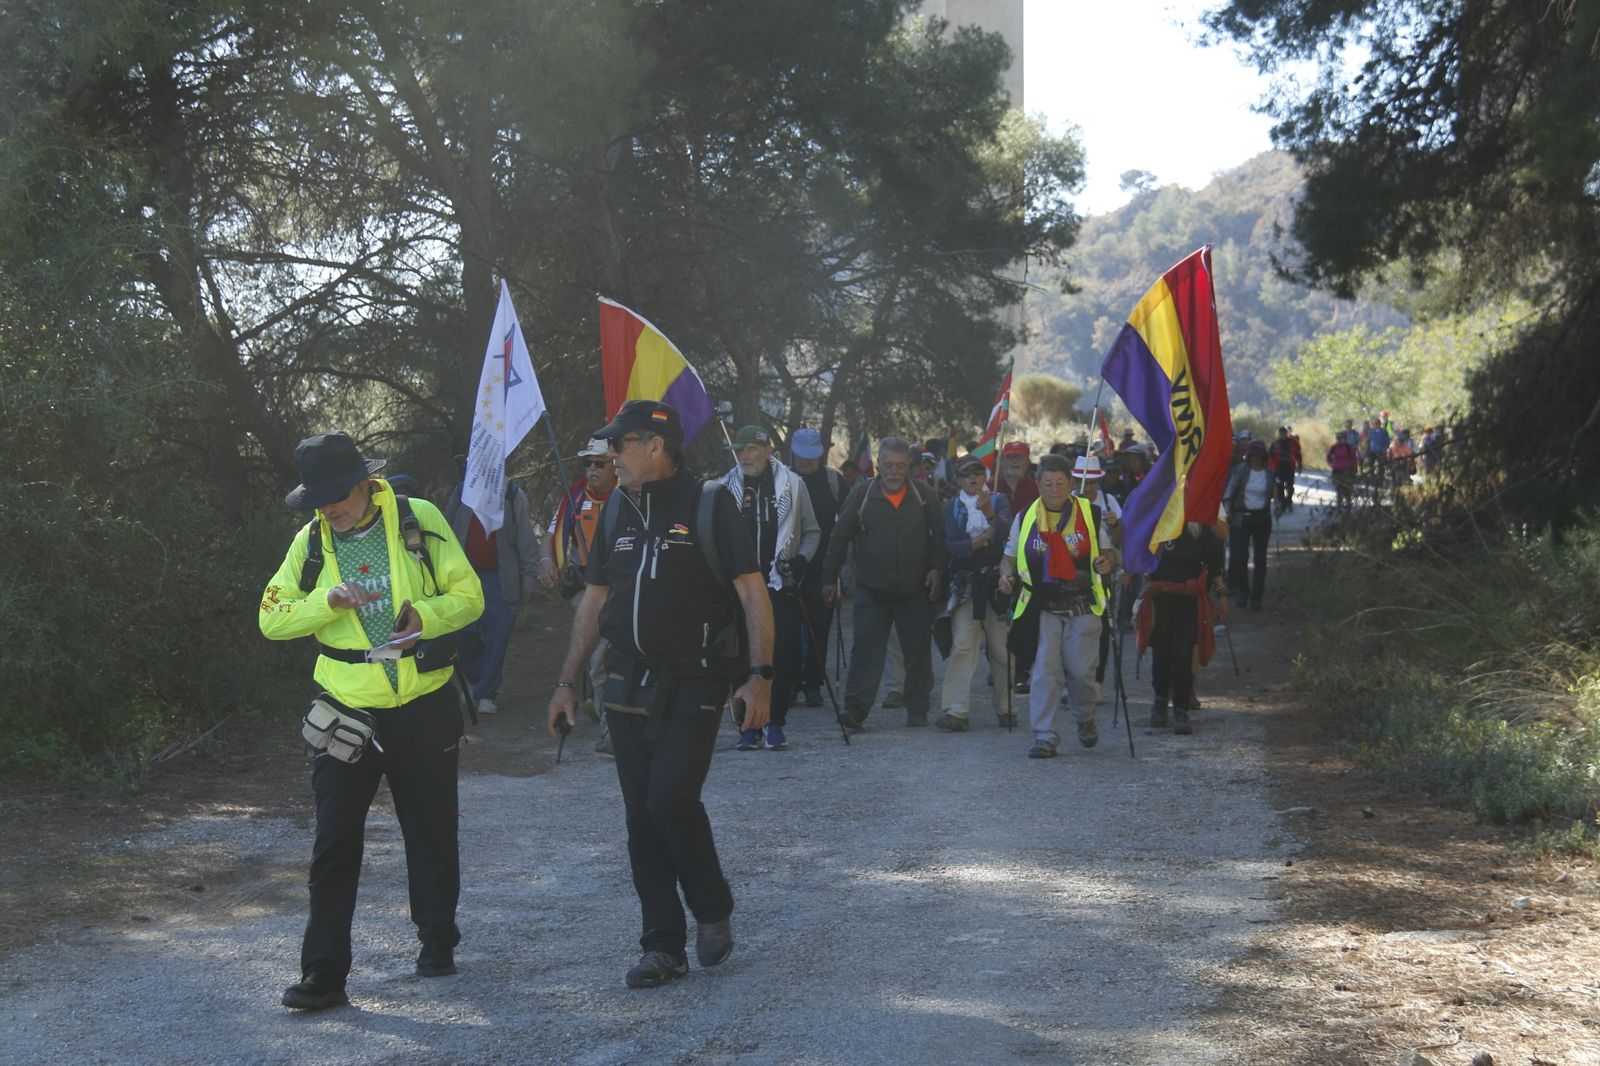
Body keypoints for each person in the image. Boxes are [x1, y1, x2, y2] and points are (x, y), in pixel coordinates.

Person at [545, 400, 774, 989]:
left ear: (655, 445)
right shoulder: (617, 506)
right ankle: (662, 945)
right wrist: (567, 682)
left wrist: (760, 675)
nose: (610, 457)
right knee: (640, 814)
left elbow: (752, 593)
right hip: (626, 679)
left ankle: (713, 905)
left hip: (695, 677)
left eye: (619, 446)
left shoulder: (710, 503)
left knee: (670, 798)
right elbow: (594, 600)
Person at [259, 431, 484, 1011]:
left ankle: (438, 943)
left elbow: (471, 595)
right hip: (346, 711)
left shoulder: (419, 518)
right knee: (335, 841)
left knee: (431, 831)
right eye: (319, 499)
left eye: (337, 495)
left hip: (424, 705)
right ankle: (323, 974)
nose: (329, 509)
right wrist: (324, 603)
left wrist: (426, 617)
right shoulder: (309, 542)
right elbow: (271, 618)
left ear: (364, 481)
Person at [998, 453, 1118, 758]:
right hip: (1043, 607)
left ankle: (1085, 717)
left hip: (1083, 605)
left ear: (1070, 484)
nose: (1054, 489)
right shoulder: (1025, 516)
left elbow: (1108, 551)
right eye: (1048, 483)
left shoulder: (1089, 514)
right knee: (1043, 672)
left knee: (1080, 674)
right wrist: (1005, 577)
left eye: (1060, 483)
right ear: (1038, 484)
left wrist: (1106, 563)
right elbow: (1009, 557)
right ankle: (1045, 735)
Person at [823, 436, 948, 729]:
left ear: (910, 467)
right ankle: (854, 711)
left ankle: (917, 709)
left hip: (914, 590)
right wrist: (829, 578)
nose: (893, 472)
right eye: (888, 465)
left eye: (900, 466)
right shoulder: (861, 494)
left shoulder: (924, 495)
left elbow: (939, 539)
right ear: (879, 465)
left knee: (917, 650)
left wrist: (936, 569)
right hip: (872, 589)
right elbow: (839, 537)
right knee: (865, 650)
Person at [722, 425, 820, 751]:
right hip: (739, 590)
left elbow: (812, 532)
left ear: (768, 452)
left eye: (751, 449)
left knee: (782, 654)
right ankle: (747, 727)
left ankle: (775, 722)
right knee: (741, 656)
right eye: (740, 449)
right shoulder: (724, 489)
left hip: (779, 586)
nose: (744, 456)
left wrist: (802, 560)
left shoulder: (793, 484)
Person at [537, 438, 619, 740]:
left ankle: (615, 716)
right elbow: (550, 536)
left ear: (615, 465)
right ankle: (610, 729)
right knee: (599, 656)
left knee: (612, 653)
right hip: (586, 588)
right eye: (588, 463)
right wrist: (546, 560)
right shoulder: (573, 497)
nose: (592, 469)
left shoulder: (628, 495)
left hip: (622, 587)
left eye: (600, 463)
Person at [445, 461, 537, 717]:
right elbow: (446, 531)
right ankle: (476, 681)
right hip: (464, 578)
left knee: (498, 638)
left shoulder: (512, 494)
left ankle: (486, 694)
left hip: (501, 578)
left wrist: (529, 576)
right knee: (464, 634)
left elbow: (526, 538)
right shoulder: (462, 492)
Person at [935, 456, 1014, 731]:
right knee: (963, 645)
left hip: (996, 581)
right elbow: (952, 546)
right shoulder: (951, 507)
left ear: (985, 477)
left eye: (978, 474)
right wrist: (981, 540)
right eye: (967, 474)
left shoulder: (1000, 501)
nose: (974, 479)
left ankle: (1006, 707)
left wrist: (990, 514)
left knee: (1001, 649)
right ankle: (956, 711)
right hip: (966, 583)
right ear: (958, 479)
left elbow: (1007, 535)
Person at [1136, 522, 1225, 734]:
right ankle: (1159, 702)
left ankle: (1181, 709)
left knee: (1183, 653)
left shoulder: (1200, 528)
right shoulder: (1155, 523)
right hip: (1160, 599)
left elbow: (1214, 563)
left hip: (1188, 600)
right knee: (1161, 650)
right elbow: (1139, 554)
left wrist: (1222, 594)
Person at [790, 427, 844, 709]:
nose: (806, 462)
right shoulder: (780, 479)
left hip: (823, 568)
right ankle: (788, 683)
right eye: (801, 457)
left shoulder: (834, 481)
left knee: (819, 627)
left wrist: (838, 573)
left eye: (811, 457)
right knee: (787, 628)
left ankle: (813, 683)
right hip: (786, 567)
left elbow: (846, 523)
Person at [1224, 440, 1273, 609]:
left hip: (1262, 518)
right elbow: (1229, 492)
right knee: (1240, 556)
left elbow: (1275, 493)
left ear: (1263, 457)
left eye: (1259, 456)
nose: (1256, 459)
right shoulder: (1239, 471)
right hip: (1241, 518)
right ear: (1249, 456)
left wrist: (1280, 505)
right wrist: (1228, 511)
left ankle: (1256, 597)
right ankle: (1243, 590)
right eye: (1253, 456)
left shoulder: (1269, 474)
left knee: (1260, 559)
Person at [994, 440, 1039, 517]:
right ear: (1001, 461)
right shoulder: (990, 486)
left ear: (1028, 461)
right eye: (1010, 457)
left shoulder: (1036, 488)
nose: (1015, 461)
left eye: (1020, 457)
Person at [1268, 426, 1298, 514]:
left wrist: (1299, 463)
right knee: (1279, 487)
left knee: (1290, 487)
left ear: (1286, 433)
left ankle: (1288, 501)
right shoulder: (1275, 443)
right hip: (1279, 469)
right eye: (1281, 433)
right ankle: (1282, 504)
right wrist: (1271, 467)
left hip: (1290, 467)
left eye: (1284, 433)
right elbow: (1269, 456)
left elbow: (1298, 453)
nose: (1282, 435)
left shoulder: (1293, 443)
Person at [1326, 431, 1359, 511]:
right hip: (1336, 471)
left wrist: (1353, 469)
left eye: (1341, 438)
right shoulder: (1334, 447)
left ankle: (1349, 508)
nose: (1339, 440)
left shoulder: (1349, 447)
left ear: (1345, 439)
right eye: (1337, 438)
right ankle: (1339, 508)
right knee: (1338, 491)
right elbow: (1328, 456)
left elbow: (1354, 459)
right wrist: (1331, 464)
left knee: (1347, 491)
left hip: (1346, 472)